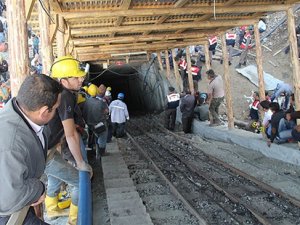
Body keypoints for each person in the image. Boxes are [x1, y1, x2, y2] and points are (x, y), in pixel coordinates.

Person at [0, 74, 62, 225]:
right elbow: (9, 199)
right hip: (8, 214)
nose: (57, 113)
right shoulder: (11, 144)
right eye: (55, 109)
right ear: (44, 112)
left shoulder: (21, 112)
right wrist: (39, 188)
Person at [46, 55, 93, 224]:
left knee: (55, 177)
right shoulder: (65, 96)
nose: (81, 79)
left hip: (47, 149)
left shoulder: (55, 93)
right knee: (79, 181)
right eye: (76, 77)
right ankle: (75, 220)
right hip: (46, 154)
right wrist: (81, 163)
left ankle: (51, 209)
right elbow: (70, 133)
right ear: (63, 80)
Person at [83, 84, 109, 159]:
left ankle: (93, 148)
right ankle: (102, 152)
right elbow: (106, 111)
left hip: (89, 124)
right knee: (103, 135)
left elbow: (84, 113)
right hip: (99, 124)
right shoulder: (101, 102)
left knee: (95, 135)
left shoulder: (86, 102)